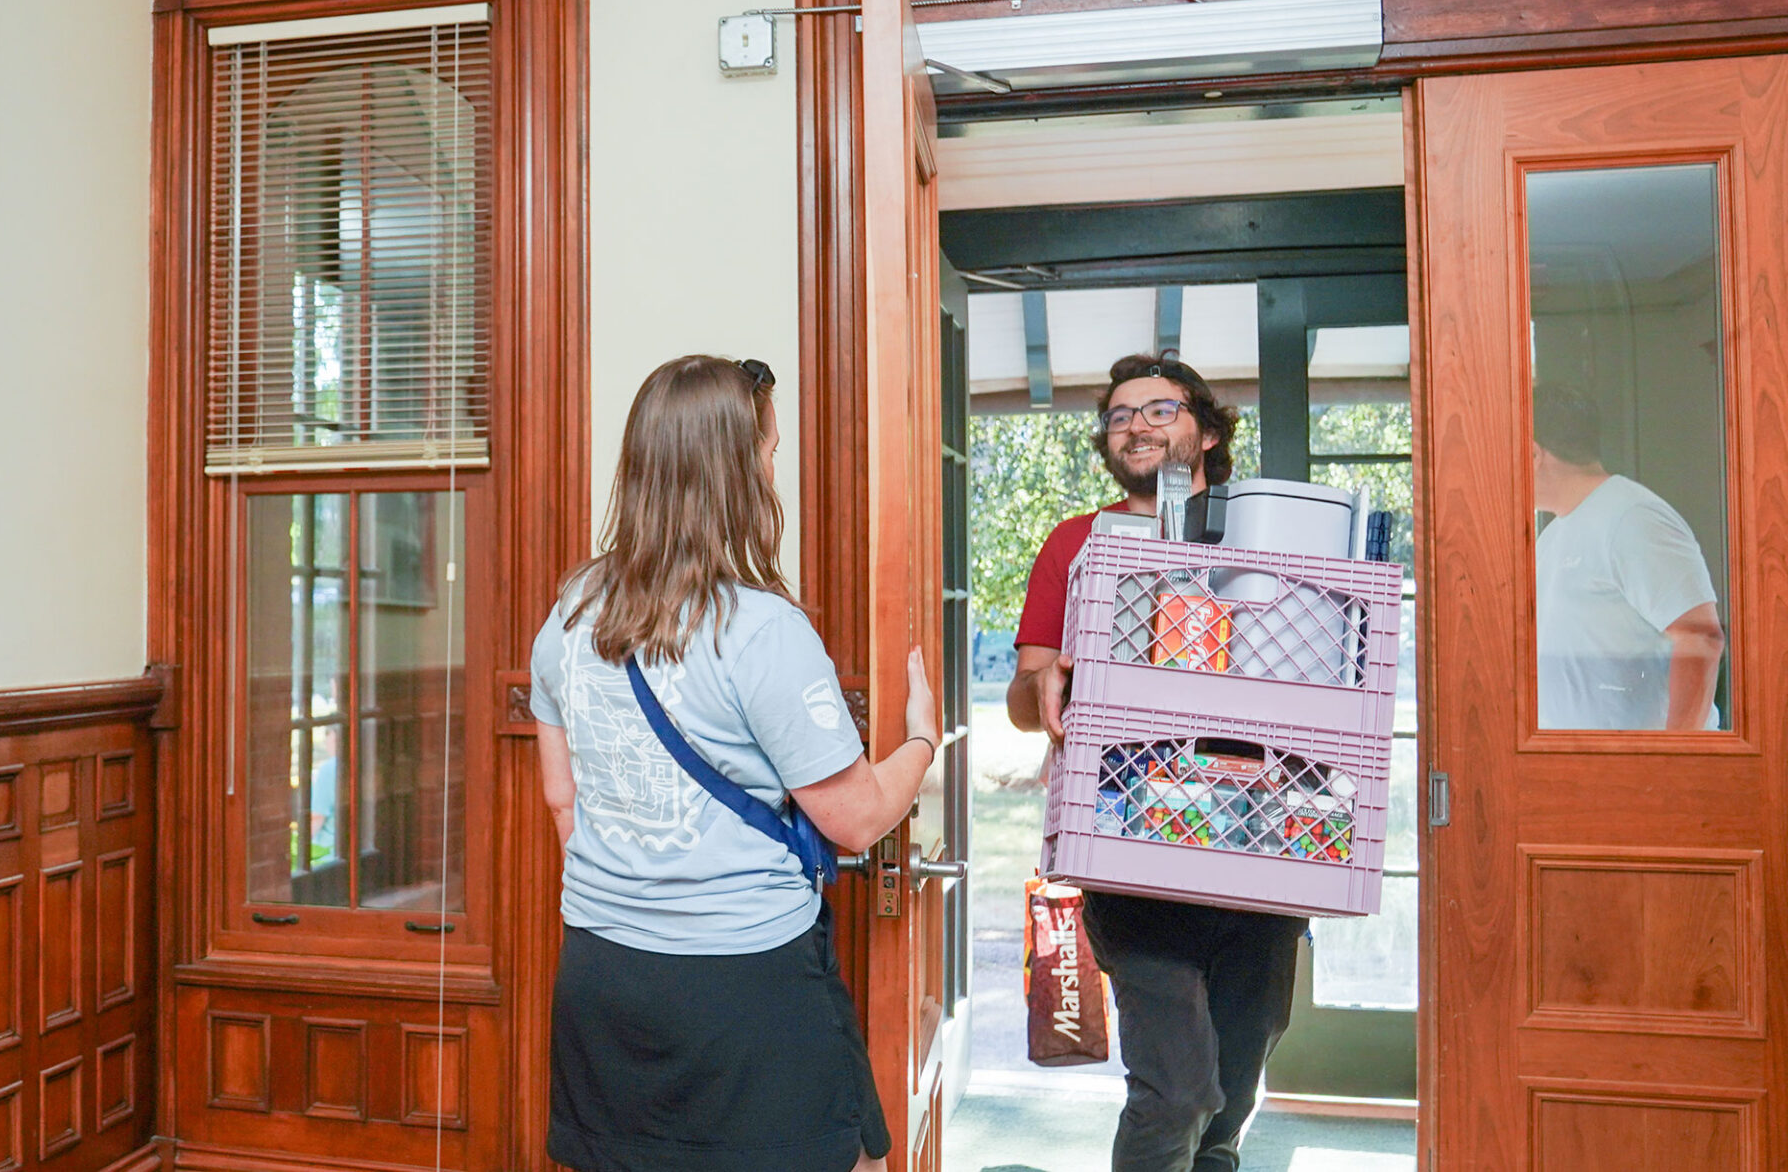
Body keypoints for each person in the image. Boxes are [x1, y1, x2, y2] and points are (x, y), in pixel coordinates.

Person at [530, 354, 941, 1172]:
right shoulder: (760, 631)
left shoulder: (567, 616)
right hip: (742, 983)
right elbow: (854, 820)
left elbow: (563, 804)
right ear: (735, 472)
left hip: (602, 974)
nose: (772, 470)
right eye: (769, 451)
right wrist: (921, 742)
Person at [1007, 353, 1303, 1172]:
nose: (1135, 424)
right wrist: (1050, 678)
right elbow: (1023, 695)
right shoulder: (1074, 543)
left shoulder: (1272, 536)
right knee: (1176, 1087)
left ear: (1207, 432)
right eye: (1119, 414)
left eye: (1159, 409)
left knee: (1234, 1086)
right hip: (1127, 849)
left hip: (1259, 852)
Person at [1532, 383, 1725, 731]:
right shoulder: (1551, 536)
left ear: (1533, 454)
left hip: (1645, 776)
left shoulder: (1633, 517)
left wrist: (1676, 758)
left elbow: (1700, 637)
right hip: (1574, 771)